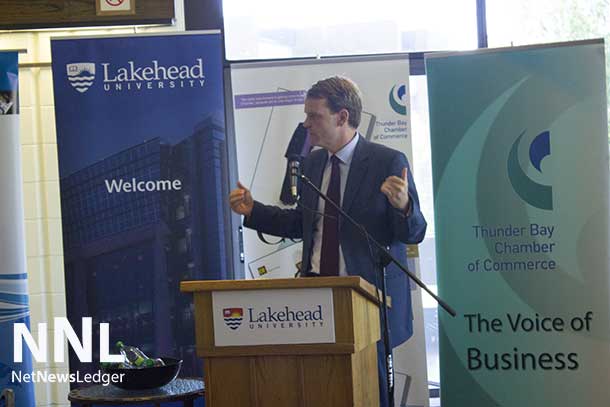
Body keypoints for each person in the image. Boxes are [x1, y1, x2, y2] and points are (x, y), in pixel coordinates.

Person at [229, 76, 427, 407]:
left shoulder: (387, 162)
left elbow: (414, 233)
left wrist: (404, 206)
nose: (306, 124)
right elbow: (302, 224)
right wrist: (254, 211)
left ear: (342, 116)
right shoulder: (313, 162)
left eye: (314, 116)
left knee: (372, 393)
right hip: (316, 297)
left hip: (369, 302)